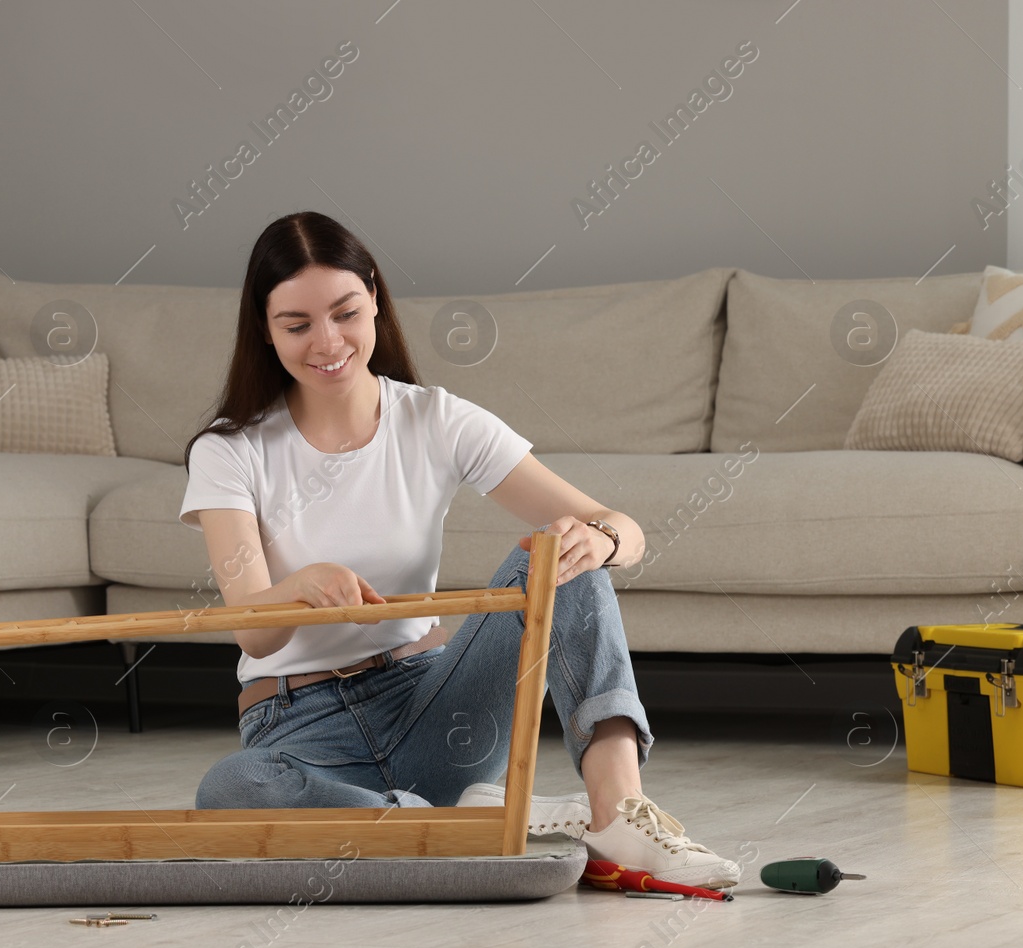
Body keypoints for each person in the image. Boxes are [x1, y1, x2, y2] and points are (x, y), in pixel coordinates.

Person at [177, 211, 738, 888]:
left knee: (557, 551)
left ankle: (617, 812)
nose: (327, 342)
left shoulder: (434, 419)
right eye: (296, 325)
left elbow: (621, 527)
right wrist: (300, 587)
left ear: (376, 299)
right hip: (299, 729)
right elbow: (251, 629)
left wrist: (603, 536)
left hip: (435, 709)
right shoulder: (228, 451)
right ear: (264, 331)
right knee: (229, 788)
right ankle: (447, 821)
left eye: (345, 313)